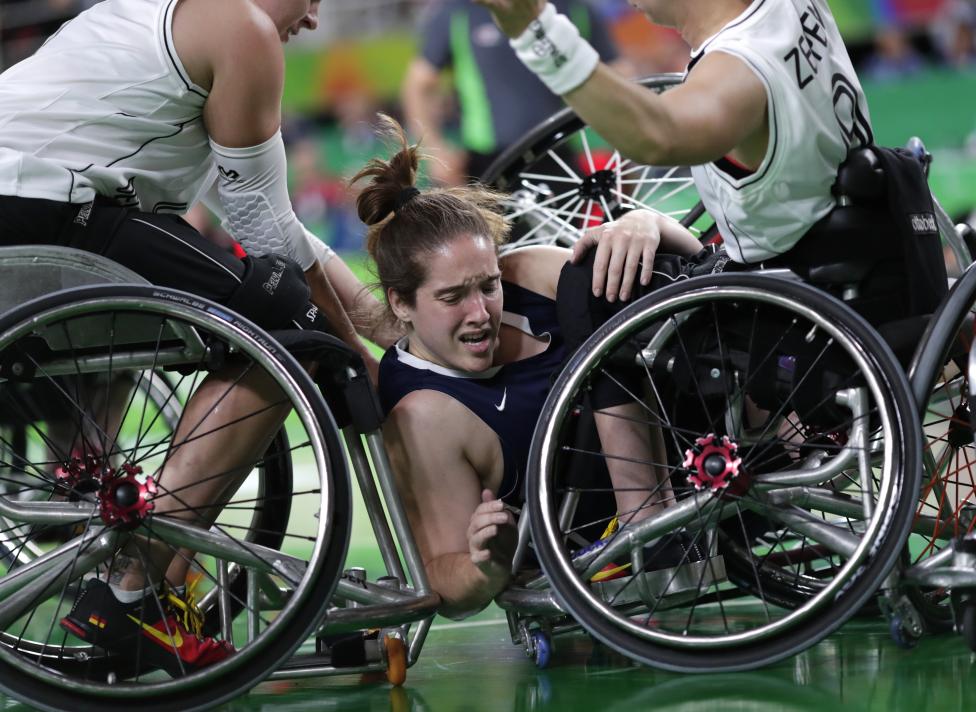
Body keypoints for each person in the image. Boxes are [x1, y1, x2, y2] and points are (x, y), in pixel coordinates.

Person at [0, 0, 394, 676]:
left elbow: (263, 216)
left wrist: (375, 318)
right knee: (290, 344)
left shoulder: (153, 27)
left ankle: (152, 589)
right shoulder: (238, 26)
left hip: (34, 208)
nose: (316, 16)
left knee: (288, 321)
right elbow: (262, 225)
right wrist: (354, 353)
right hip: (47, 209)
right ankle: (132, 591)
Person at [352, 116, 702, 618]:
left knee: (609, 275)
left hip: (721, 441)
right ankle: (643, 514)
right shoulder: (422, 413)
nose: (479, 313)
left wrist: (651, 224)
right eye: (452, 297)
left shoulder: (530, 276)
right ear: (401, 304)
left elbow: (675, 293)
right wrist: (485, 567)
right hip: (609, 552)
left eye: (487, 285)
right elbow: (443, 581)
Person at [473, 0, 947, 325]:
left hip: (783, 313)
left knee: (577, 284)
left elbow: (659, 134)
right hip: (845, 264)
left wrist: (536, 31)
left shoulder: (742, 68)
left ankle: (624, 475)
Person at [401, 0, 627, 185]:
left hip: (563, 154)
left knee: (569, 240)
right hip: (487, 163)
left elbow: (622, 76)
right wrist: (434, 150)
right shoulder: (458, 12)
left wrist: (624, 147)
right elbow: (417, 85)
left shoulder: (576, 8)